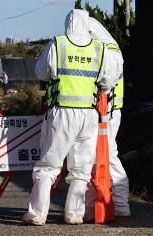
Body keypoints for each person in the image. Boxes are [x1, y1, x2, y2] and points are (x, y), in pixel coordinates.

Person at [22, 9, 117, 225]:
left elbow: (41, 73)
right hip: (88, 115)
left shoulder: (58, 44)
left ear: (67, 24)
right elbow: (108, 81)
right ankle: (74, 214)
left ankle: (37, 213)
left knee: (48, 166)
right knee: (82, 169)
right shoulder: (99, 48)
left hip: (62, 113)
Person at [83, 17, 130, 221]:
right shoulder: (112, 47)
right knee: (102, 156)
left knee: (108, 156)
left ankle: (119, 205)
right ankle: (110, 205)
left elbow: (105, 82)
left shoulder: (106, 50)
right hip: (108, 111)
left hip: (106, 112)